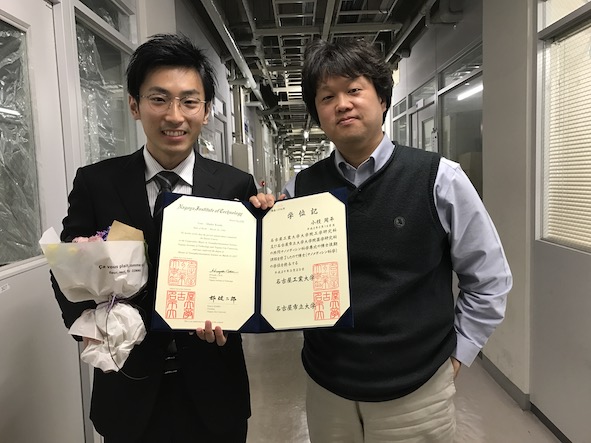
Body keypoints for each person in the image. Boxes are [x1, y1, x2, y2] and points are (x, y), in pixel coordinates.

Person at [283, 38, 512, 442]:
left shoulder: (439, 178)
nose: (342, 104)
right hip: (327, 388)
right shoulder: (299, 190)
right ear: (318, 113)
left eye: (354, 90)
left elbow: (489, 278)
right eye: (327, 96)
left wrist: (459, 354)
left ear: (382, 98)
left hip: (416, 392)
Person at [51, 34, 275, 443]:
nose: (175, 115)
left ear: (206, 110)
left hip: (214, 388)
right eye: (159, 99)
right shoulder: (97, 183)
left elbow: (250, 277)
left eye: (189, 101)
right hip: (128, 390)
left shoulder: (234, 185)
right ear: (135, 105)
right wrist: (90, 326)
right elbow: (66, 268)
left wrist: (271, 224)